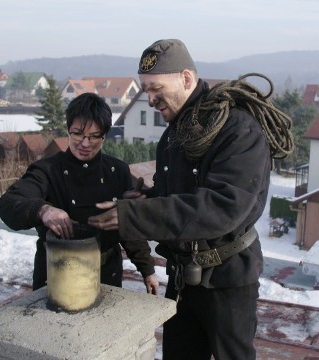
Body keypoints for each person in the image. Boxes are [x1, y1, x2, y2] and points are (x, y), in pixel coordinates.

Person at [89, 39, 293, 359]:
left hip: (227, 280)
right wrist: (146, 198)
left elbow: (222, 207)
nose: (151, 99)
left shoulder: (237, 128)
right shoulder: (176, 131)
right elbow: (180, 194)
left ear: (186, 78)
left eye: (155, 88)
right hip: (183, 277)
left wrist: (134, 216)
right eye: (145, 90)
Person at [0, 92, 159, 294]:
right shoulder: (46, 171)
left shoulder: (117, 171)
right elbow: (8, 203)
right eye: (78, 134)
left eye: (94, 136)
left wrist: (147, 269)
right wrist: (43, 210)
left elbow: (128, 227)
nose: (85, 143)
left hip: (106, 275)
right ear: (68, 130)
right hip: (58, 275)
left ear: (104, 136)